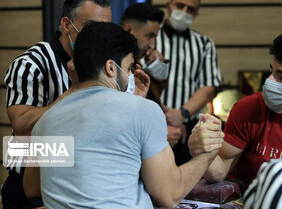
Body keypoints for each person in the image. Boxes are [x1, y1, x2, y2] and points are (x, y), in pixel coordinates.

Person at [30, 21, 224, 208]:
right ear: (111, 68)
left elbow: (31, 187)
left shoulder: (46, 119)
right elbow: (169, 195)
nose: (131, 74)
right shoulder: (142, 110)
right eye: (130, 67)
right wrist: (206, 155)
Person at [2, 0, 112, 208]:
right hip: (30, 184)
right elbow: (21, 125)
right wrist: (73, 92)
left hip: (83, 179)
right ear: (66, 25)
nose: (97, 38)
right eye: (90, 28)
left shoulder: (105, 62)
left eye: (105, 29)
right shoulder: (31, 63)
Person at [189, 31, 282, 187]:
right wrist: (202, 150)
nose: (269, 81)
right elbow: (220, 171)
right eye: (272, 71)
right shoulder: (249, 108)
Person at [156, 0, 222, 165]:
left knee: (188, 186)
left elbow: (210, 86)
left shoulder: (204, 43)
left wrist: (182, 114)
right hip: (152, 123)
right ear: (169, 6)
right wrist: (164, 118)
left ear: (196, 13)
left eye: (190, 9)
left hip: (189, 129)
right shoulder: (151, 37)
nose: (184, 11)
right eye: (180, 5)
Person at [120, 2, 167, 105]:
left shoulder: (137, 65)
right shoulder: (115, 70)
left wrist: (154, 72)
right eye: (149, 36)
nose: (152, 45)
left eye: (155, 37)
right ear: (128, 30)